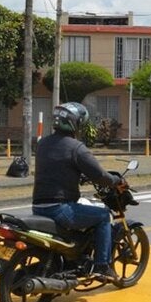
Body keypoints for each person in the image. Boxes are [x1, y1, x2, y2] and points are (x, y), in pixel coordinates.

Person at [32, 102, 125, 283]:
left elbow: (57, 166)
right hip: (60, 209)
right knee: (104, 216)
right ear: (76, 124)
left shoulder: (42, 144)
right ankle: (102, 266)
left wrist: (78, 175)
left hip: (38, 207)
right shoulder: (76, 147)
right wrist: (116, 181)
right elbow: (99, 175)